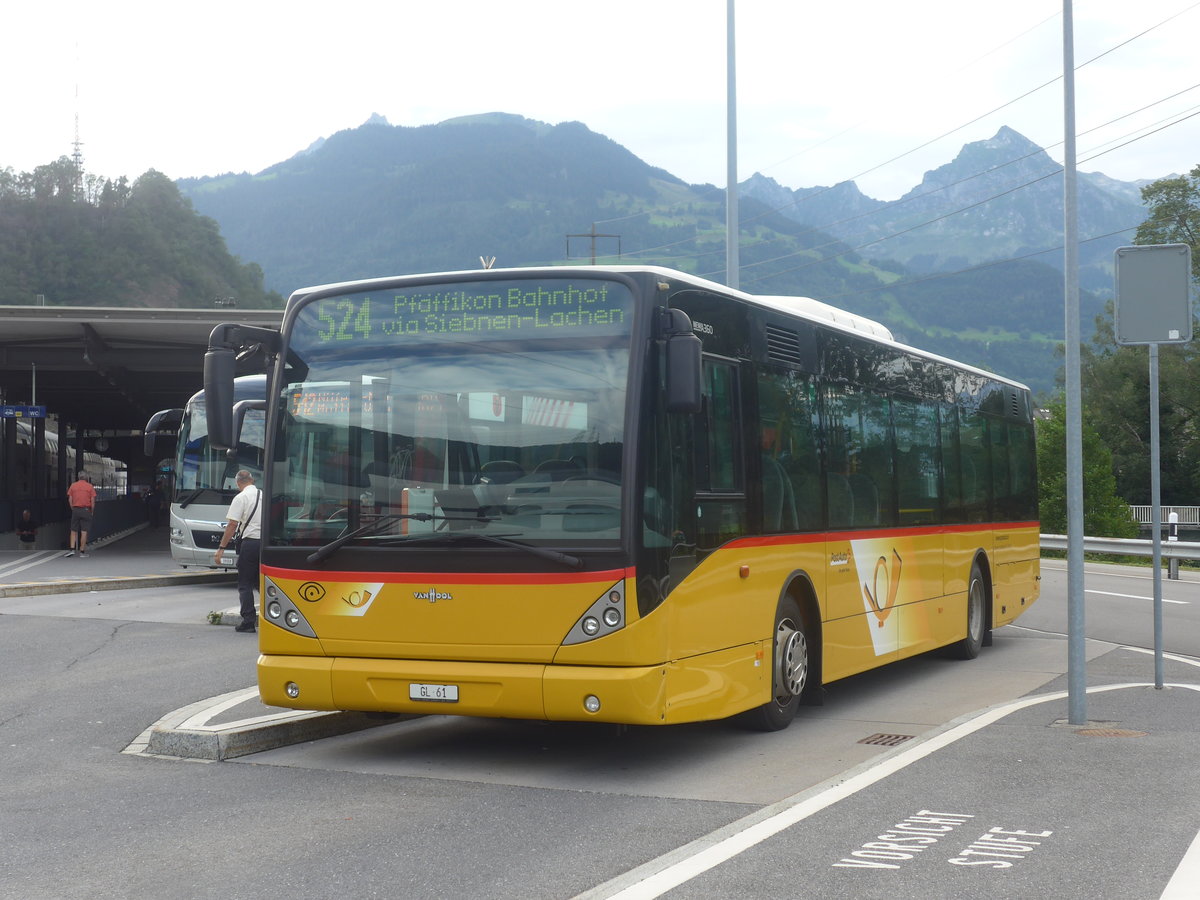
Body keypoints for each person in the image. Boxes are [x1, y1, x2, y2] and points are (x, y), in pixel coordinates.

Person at [214, 470, 261, 633]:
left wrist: (221, 548)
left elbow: (232, 525)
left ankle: (248, 621)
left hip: (250, 543)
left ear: (238, 483)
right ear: (252, 480)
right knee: (261, 582)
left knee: (245, 583)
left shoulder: (241, 498)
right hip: (267, 543)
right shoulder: (264, 495)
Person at [65, 472, 97, 557]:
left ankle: (72, 549)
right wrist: (92, 511)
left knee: (73, 530)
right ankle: (82, 552)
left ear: (78, 477)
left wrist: (73, 508)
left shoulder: (73, 485)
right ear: (86, 478)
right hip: (86, 510)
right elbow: (93, 501)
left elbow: (70, 500)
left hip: (76, 509)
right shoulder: (90, 486)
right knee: (84, 531)